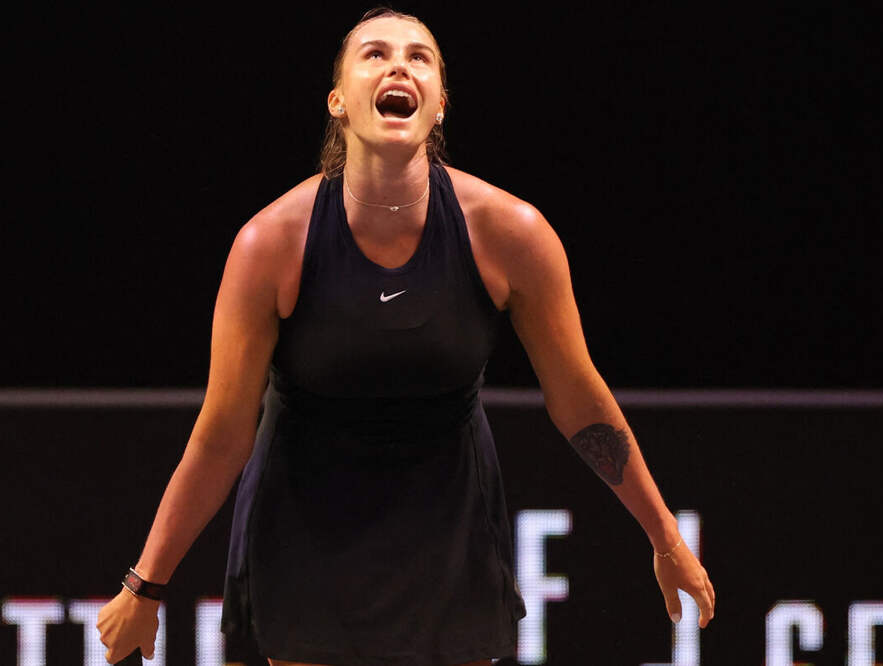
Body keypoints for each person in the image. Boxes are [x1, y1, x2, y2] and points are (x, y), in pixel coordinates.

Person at [96, 7, 715, 665]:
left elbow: (581, 402)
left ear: (440, 105)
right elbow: (222, 435)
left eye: (419, 57)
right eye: (375, 53)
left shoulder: (512, 234)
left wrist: (666, 537)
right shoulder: (269, 245)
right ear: (338, 101)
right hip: (305, 529)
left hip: (452, 529)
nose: (398, 66)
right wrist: (146, 583)